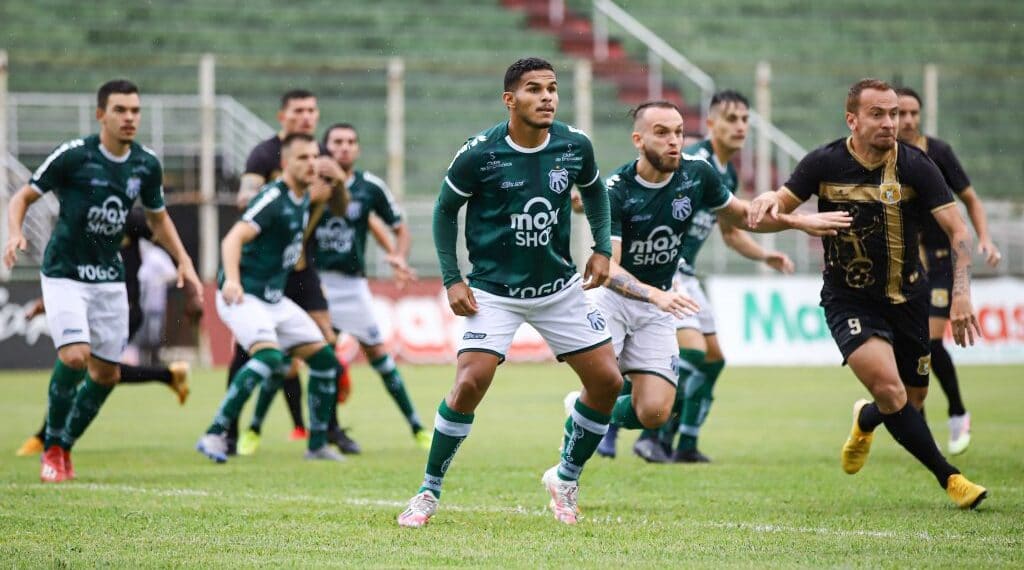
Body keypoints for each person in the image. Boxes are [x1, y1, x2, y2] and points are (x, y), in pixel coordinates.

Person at [396, 57, 623, 528]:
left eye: (552, 89)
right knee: (469, 383)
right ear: (510, 100)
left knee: (608, 383)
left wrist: (602, 248)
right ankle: (428, 491)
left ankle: (565, 477)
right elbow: (443, 213)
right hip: (493, 291)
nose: (546, 98)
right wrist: (452, 278)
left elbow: (596, 192)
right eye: (534, 89)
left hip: (559, 288)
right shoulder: (479, 153)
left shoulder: (574, 145)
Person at [747, 78, 987, 509]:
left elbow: (958, 231)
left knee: (910, 402)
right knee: (893, 393)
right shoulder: (823, 162)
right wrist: (797, 219)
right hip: (849, 300)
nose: (890, 123)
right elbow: (763, 219)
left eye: (894, 113)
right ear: (852, 119)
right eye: (878, 114)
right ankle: (950, 478)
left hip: (908, 298)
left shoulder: (916, 166)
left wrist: (961, 293)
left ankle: (865, 418)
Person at [581, 100, 846, 465]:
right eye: (662, 133)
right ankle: (573, 465)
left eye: (678, 132)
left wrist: (799, 222)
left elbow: (741, 219)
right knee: (612, 382)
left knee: (673, 395)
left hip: (667, 288)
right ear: (638, 140)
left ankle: (662, 434)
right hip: (624, 293)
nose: (675, 141)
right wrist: (656, 294)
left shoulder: (701, 173)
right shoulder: (619, 188)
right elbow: (609, 268)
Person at [4, 79, 202, 483]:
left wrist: (183, 260)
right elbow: (23, 196)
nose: (129, 117)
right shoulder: (75, 156)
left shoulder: (146, 164)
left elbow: (158, 218)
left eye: (135, 110)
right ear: (101, 115)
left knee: (107, 375)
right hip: (64, 273)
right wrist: (15, 232)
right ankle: (53, 448)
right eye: (120, 110)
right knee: (75, 356)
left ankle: (65, 446)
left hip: (110, 278)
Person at [617, 90, 795, 464]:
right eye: (731, 119)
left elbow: (731, 231)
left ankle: (685, 443)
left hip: (686, 272)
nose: (740, 127)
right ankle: (644, 428)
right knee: (695, 353)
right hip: (667, 271)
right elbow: (634, 190)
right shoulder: (688, 161)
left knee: (713, 359)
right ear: (710, 124)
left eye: (745, 120)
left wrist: (766, 254)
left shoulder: (723, 173)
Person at [195, 133, 346, 463]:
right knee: (268, 359)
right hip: (244, 296)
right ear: (284, 164)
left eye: (313, 157)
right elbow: (232, 239)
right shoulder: (273, 198)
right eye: (303, 158)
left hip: (275, 300)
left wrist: (339, 178)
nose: (311, 164)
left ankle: (317, 444)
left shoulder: (303, 195)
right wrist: (232, 281)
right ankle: (215, 434)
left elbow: (336, 198)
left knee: (325, 361)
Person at [14, 208, 199, 457]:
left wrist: (190, 287)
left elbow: (164, 236)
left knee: (93, 370)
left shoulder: (127, 216)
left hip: (124, 308)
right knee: (94, 369)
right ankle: (168, 375)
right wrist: (47, 300)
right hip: (91, 305)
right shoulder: (79, 216)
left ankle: (47, 436)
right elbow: (74, 271)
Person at [228, 89, 345, 454]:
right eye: (298, 111)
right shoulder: (264, 154)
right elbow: (245, 202)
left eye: (312, 110)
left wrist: (337, 180)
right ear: (283, 116)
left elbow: (341, 209)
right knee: (250, 352)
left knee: (326, 343)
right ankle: (230, 429)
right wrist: (293, 188)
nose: (306, 117)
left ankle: (326, 430)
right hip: (264, 268)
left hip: (302, 265)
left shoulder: (321, 157)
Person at [310, 122, 428, 452]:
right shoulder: (311, 185)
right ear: (325, 147)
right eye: (337, 142)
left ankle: (417, 426)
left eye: (350, 142)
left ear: (358, 149)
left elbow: (398, 227)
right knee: (315, 359)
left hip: (352, 285)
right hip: (315, 286)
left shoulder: (369, 187)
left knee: (378, 355)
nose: (344, 147)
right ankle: (309, 432)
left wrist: (398, 257)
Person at [896, 86, 1001, 455]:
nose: (907, 120)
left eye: (913, 113)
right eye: (900, 113)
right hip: (903, 262)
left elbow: (970, 199)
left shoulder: (938, 153)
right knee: (904, 346)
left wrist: (984, 237)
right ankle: (920, 433)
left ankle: (957, 412)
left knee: (928, 340)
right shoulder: (883, 156)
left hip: (940, 260)